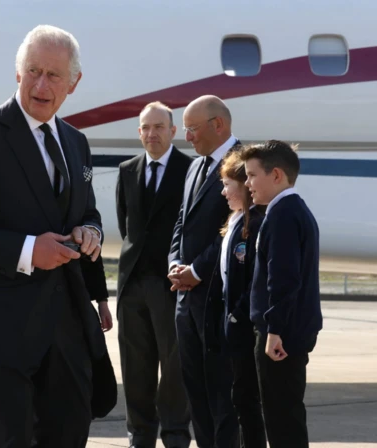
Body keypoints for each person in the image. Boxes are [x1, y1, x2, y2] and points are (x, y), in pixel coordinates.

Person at [0, 24, 115, 448]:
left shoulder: (75, 142)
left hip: (66, 325)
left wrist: (89, 231)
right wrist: (29, 250)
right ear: (17, 74)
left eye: (53, 75)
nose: (41, 84)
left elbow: (86, 211)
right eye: (33, 71)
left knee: (69, 434)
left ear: (74, 82)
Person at [115, 102, 192, 448]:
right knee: (135, 367)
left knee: (173, 366)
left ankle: (175, 434)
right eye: (145, 128)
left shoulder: (189, 171)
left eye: (159, 127)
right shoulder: (127, 170)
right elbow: (126, 224)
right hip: (132, 285)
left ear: (173, 131)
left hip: (169, 285)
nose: (152, 134)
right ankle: (140, 434)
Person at [167, 95, 240, 448]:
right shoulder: (196, 166)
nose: (187, 137)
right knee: (195, 390)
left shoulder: (243, 163)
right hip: (187, 298)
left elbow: (237, 226)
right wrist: (174, 264)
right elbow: (182, 220)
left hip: (219, 298)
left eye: (192, 129)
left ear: (218, 125)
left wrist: (197, 269)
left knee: (223, 395)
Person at [240, 140, 323, 448]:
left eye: (251, 175)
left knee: (281, 417)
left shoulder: (283, 214)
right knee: (284, 413)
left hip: (282, 334)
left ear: (276, 175)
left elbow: (283, 278)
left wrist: (274, 329)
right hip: (288, 329)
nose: (247, 183)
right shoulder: (293, 210)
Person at [205, 150, 266, 447]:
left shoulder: (255, 225)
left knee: (248, 400)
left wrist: (235, 316)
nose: (224, 191)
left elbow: (254, 280)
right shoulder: (234, 221)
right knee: (237, 398)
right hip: (230, 327)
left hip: (243, 326)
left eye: (229, 184)